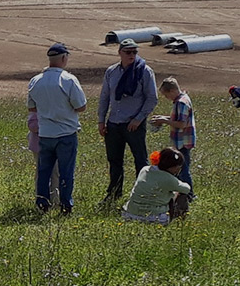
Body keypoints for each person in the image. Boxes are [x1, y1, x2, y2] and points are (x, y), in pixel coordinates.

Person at [29, 42, 88, 214]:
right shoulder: (69, 80)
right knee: (66, 172)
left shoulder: (35, 81)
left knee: (44, 171)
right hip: (66, 133)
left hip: (45, 133)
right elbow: (81, 106)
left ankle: (42, 203)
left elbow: (31, 107)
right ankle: (66, 205)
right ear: (64, 58)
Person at [97, 39, 157, 205]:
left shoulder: (144, 71)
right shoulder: (111, 72)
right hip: (114, 123)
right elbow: (105, 97)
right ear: (120, 53)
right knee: (114, 161)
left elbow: (152, 98)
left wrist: (138, 119)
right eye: (128, 52)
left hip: (134, 125)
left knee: (140, 160)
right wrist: (101, 121)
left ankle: (141, 195)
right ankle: (114, 193)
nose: (132, 55)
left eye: (135, 52)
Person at [121, 148, 192, 224]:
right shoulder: (169, 179)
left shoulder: (145, 170)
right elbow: (187, 189)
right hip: (154, 218)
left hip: (130, 214)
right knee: (181, 194)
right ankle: (179, 224)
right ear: (174, 167)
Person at [150, 77, 196, 190]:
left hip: (183, 141)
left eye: (166, 95)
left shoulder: (181, 103)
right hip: (180, 140)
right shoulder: (181, 100)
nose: (167, 98)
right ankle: (182, 193)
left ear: (172, 91)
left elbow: (181, 124)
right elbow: (178, 118)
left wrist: (164, 121)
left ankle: (189, 194)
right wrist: (162, 117)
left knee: (182, 170)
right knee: (180, 168)